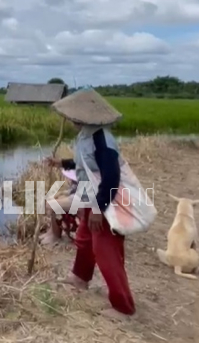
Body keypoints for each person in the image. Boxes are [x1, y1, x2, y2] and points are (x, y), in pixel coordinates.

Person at [45, 88, 136, 320]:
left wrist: (97, 208)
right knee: (84, 240)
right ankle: (80, 278)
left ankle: (123, 306)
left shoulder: (103, 140)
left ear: (84, 117)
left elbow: (111, 178)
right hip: (89, 197)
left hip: (104, 204)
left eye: (74, 116)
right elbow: (84, 163)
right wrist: (60, 163)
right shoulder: (87, 135)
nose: (71, 120)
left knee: (106, 251)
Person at [39, 167, 79, 245]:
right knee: (58, 199)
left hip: (80, 216)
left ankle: (55, 236)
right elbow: (70, 191)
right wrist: (60, 194)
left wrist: (49, 202)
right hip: (77, 208)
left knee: (55, 205)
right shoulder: (78, 186)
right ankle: (51, 232)